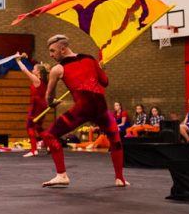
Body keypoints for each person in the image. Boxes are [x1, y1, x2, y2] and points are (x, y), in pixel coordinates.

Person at [39, 34, 127, 187]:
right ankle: (120, 178)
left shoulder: (58, 69)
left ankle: (62, 175)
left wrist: (52, 103)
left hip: (82, 110)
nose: (50, 55)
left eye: (53, 51)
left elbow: (49, 96)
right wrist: (98, 69)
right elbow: (105, 82)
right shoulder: (90, 59)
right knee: (115, 139)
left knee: (49, 134)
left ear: (63, 49)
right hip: (101, 109)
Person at [15, 54, 48, 157]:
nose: (32, 69)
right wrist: (27, 57)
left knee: (29, 126)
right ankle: (49, 145)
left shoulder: (36, 80)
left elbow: (25, 70)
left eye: (34, 69)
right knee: (38, 127)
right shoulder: (43, 81)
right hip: (43, 105)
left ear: (38, 72)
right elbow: (37, 65)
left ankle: (34, 150)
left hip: (36, 105)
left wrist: (18, 61)